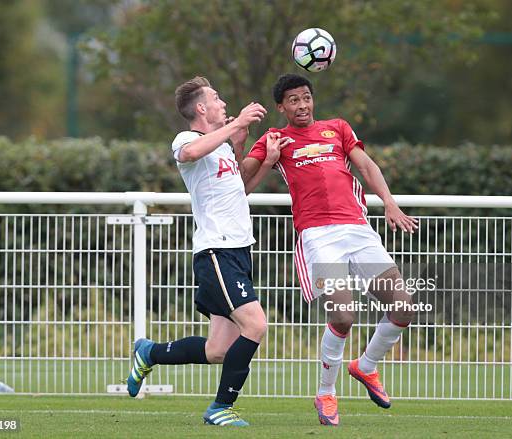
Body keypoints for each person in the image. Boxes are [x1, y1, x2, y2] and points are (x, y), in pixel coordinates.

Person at [241, 73, 419, 426]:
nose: (302, 105)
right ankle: (325, 392)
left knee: (403, 307)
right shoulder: (275, 139)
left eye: (306, 97)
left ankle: (365, 366)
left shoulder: (337, 128)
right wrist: (266, 158)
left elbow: (366, 165)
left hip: (357, 229)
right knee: (342, 316)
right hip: (318, 236)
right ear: (281, 107)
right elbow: (241, 185)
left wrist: (389, 202)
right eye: (293, 100)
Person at [125, 76, 285, 427]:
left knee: (218, 351)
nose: (223, 103)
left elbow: (238, 189)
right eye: (216, 98)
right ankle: (219, 408)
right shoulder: (188, 138)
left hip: (238, 252)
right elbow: (191, 153)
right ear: (201, 108)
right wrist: (238, 124)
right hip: (217, 252)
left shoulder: (223, 146)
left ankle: (148, 352)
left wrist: (264, 159)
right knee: (256, 325)